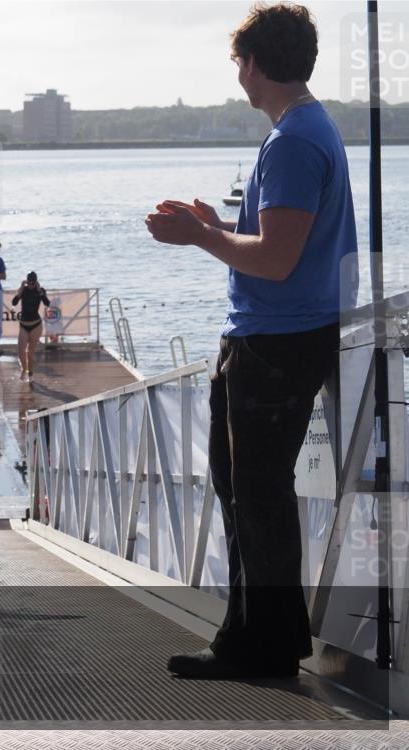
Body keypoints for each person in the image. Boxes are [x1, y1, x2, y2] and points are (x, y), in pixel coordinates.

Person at [145, 3, 356, 679]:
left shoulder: (293, 139)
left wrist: (202, 237)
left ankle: (258, 647)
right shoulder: (305, 130)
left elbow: (277, 259)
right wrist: (219, 223)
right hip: (280, 337)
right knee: (246, 492)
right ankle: (261, 638)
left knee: (256, 497)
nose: (237, 73)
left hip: (275, 344)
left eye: (239, 61)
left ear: (256, 64)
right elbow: (277, 242)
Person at [11, 271, 51, 382]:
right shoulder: (23, 290)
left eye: (33, 283)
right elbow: (14, 303)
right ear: (26, 281)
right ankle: (24, 368)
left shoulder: (40, 290)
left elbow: (47, 303)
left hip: (36, 325)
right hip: (24, 325)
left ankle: (30, 374)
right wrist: (20, 291)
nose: (31, 285)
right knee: (20, 352)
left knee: (30, 353)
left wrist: (39, 291)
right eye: (29, 283)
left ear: (36, 282)